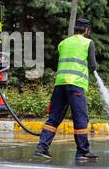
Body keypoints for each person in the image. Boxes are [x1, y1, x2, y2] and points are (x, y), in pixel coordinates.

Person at [35, 18, 99, 160]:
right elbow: (93, 65)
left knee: (54, 117)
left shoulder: (63, 43)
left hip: (60, 83)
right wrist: (93, 68)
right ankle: (82, 151)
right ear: (87, 30)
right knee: (80, 118)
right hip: (76, 84)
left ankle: (42, 148)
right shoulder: (88, 43)